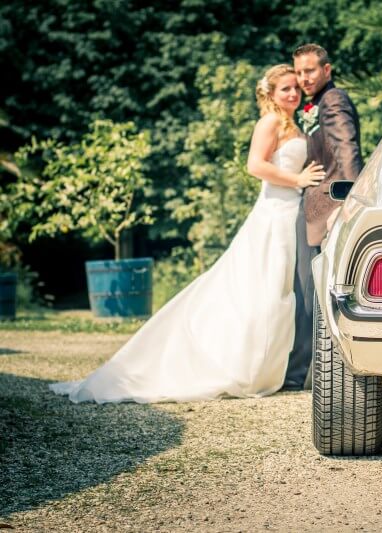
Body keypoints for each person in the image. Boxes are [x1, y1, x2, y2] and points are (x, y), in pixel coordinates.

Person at [49, 64, 325, 403]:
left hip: (289, 213)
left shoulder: (292, 124)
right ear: (270, 93)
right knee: (262, 288)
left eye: (296, 88)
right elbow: (255, 165)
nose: (294, 94)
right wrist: (297, 180)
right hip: (272, 212)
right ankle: (242, 364)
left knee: (279, 291)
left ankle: (275, 366)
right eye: (286, 89)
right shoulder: (269, 122)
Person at [282, 43, 364, 390]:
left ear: (327, 70)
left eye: (310, 71)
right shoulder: (310, 105)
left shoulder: (333, 100)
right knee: (306, 290)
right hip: (313, 204)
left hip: (327, 206)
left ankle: (305, 374)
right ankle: (305, 372)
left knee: (312, 290)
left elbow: (347, 150)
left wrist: (351, 201)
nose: (303, 79)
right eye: (299, 72)